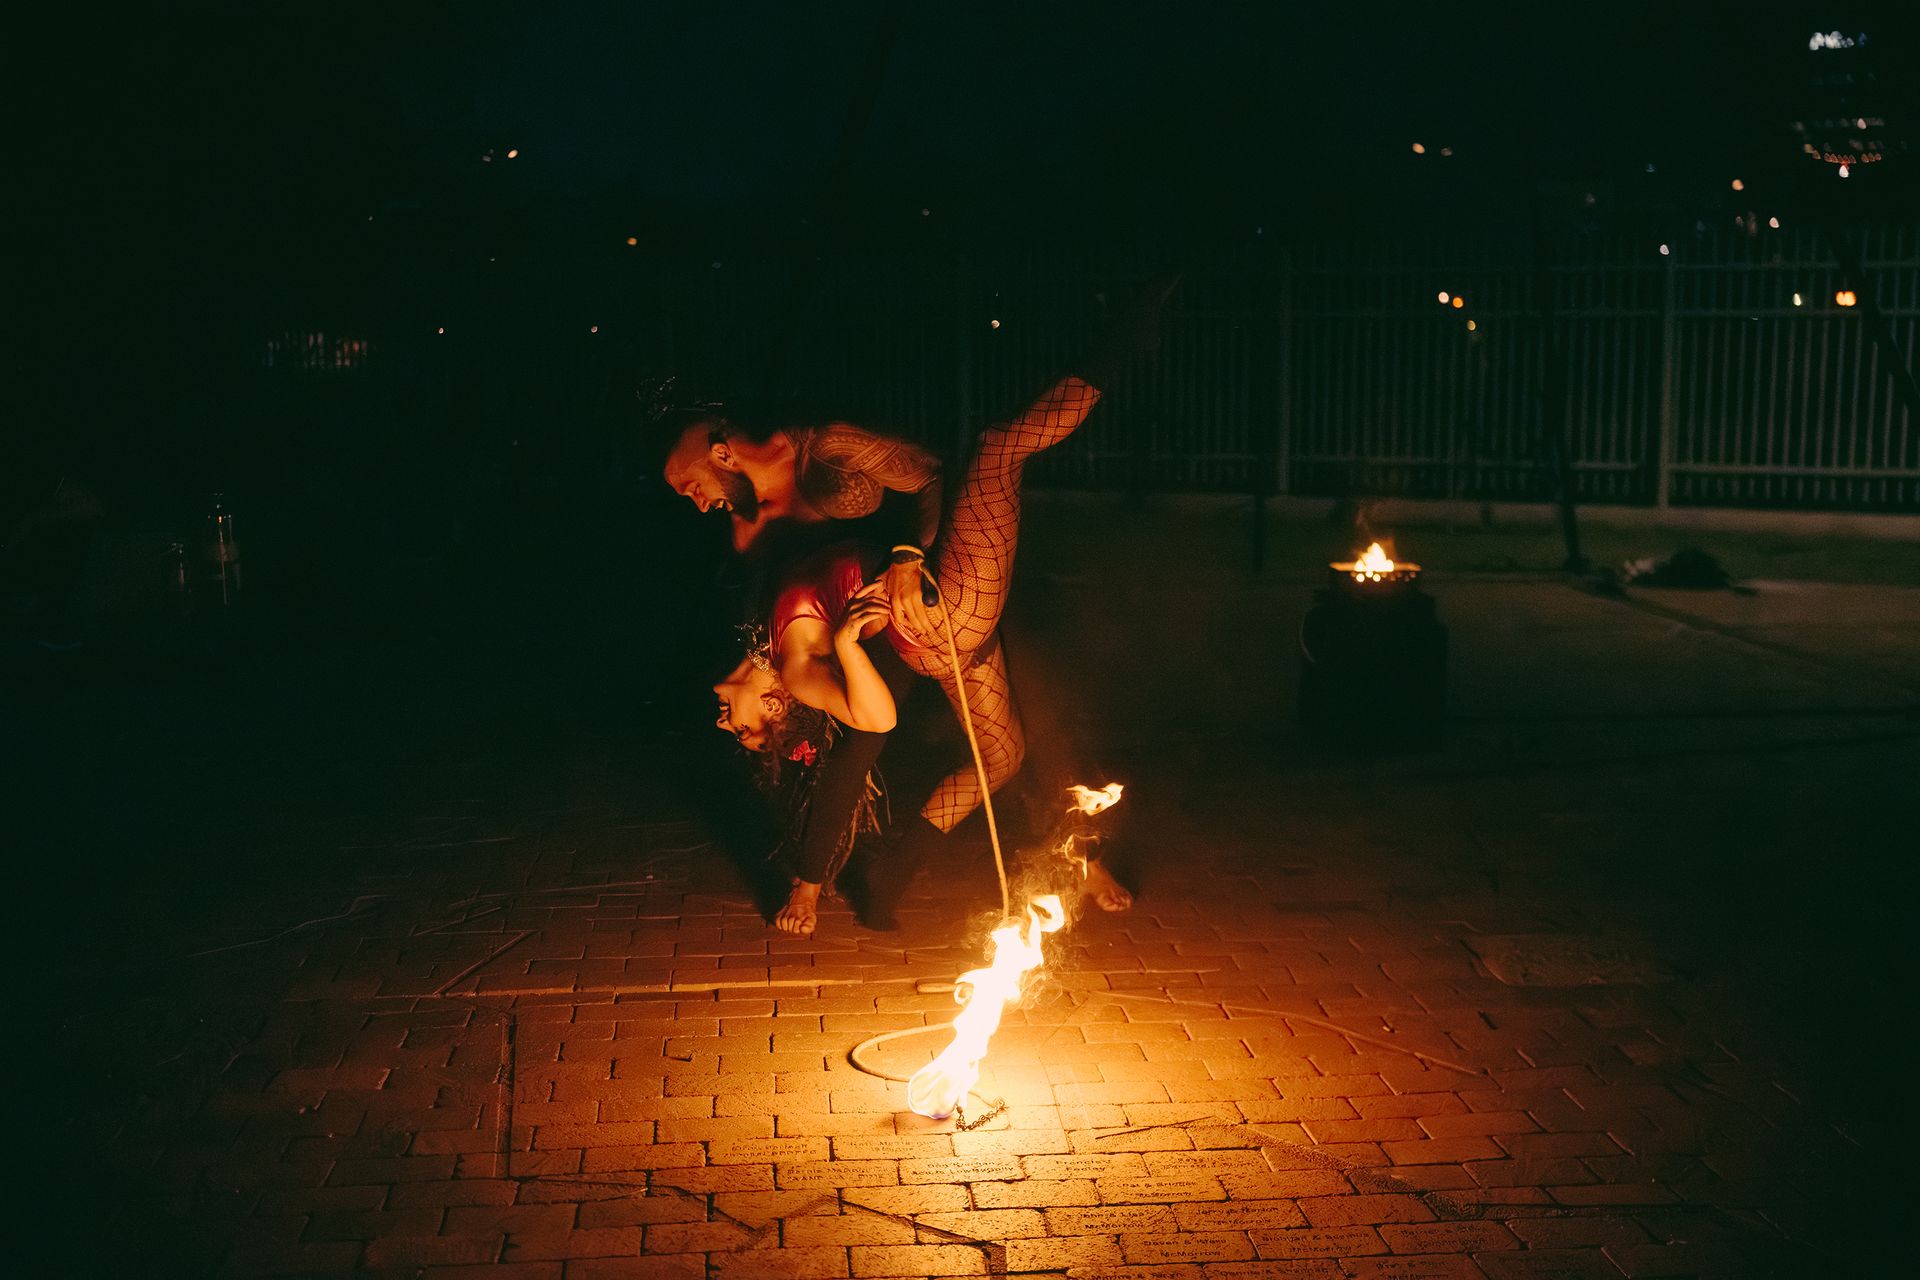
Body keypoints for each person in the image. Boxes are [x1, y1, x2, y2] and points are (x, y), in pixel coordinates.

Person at [711, 372, 1137, 930]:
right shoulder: (795, 672)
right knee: (998, 446)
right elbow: (872, 728)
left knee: (1004, 758)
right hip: (947, 613)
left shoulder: (765, 632)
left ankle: (899, 866)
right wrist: (806, 889)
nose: (724, 725)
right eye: (741, 731)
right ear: (771, 708)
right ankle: (1124, 346)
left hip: (944, 597)